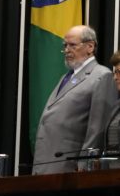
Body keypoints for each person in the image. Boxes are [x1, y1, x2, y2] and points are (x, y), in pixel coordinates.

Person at [32, 24, 115, 174]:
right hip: (48, 163)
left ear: (90, 46)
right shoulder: (66, 77)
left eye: (72, 45)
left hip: (71, 167)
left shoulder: (102, 76)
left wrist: (85, 164)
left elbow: (97, 128)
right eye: (65, 45)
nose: (67, 50)